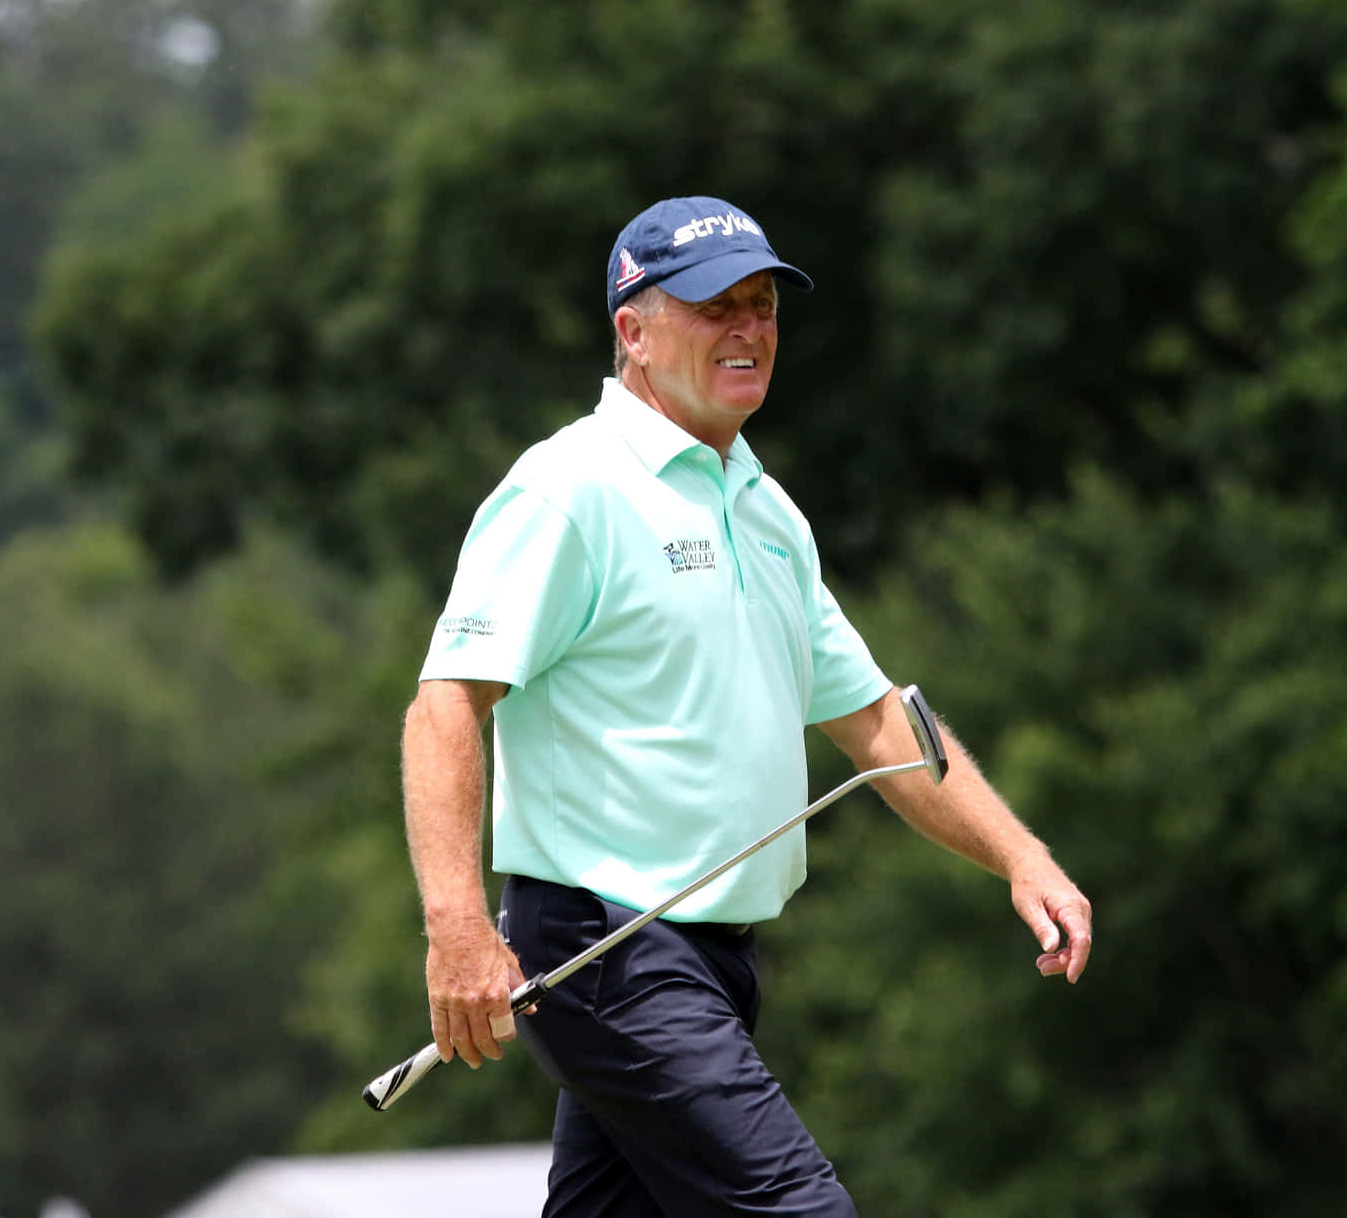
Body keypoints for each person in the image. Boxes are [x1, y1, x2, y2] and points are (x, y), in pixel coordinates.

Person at [403, 195, 1092, 1215]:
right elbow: (446, 706)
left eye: (762, 303)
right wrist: (457, 926)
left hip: (715, 958)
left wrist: (1020, 854)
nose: (748, 327)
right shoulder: (567, 489)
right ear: (632, 331)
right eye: (712, 305)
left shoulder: (766, 510)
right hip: (606, 951)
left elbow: (870, 721)